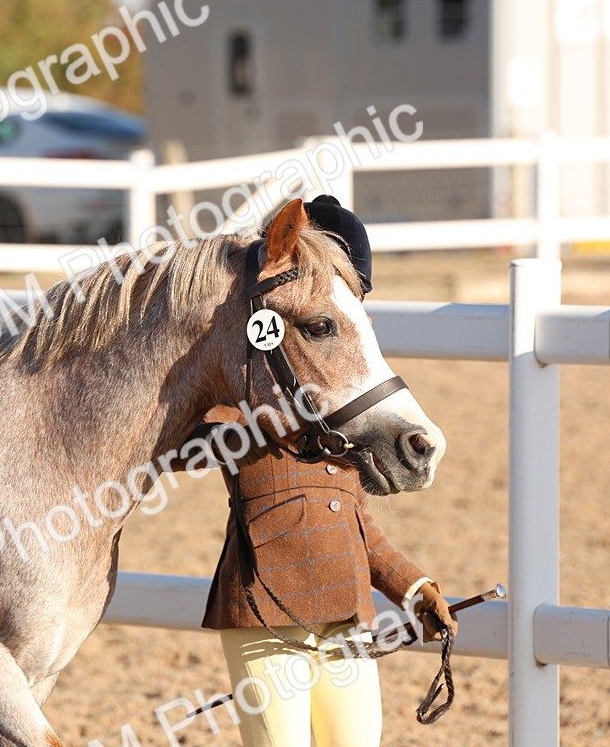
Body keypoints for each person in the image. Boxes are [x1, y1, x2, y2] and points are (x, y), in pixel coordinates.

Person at [189, 197, 458, 747]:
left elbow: (358, 528)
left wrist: (414, 586)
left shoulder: (341, 429)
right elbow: (193, 435)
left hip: (344, 614)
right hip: (265, 616)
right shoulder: (247, 395)